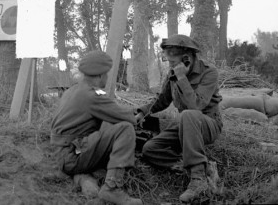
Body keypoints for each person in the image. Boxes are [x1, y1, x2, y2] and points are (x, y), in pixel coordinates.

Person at [135, 34, 223, 203]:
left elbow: (196, 106)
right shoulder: (172, 74)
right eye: (169, 61)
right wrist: (141, 112)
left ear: (186, 58)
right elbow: (162, 100)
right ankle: (199, 168)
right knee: (150, 149)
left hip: (208, 124)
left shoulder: (209, 72)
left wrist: (182, 78)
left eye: (173, 61)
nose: (170, 65)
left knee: (189, 114)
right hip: (185, 124)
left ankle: (198, 180)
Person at [50, 50, 142, 205]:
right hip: (72, 156)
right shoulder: (91, 96)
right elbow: (128, 118)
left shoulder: (74, 90)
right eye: (106, 74)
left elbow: (109, 111)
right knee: (125, 129)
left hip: (65, 152)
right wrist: (140, 113)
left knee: (108, 125)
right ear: (100, 75)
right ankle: (112, 188)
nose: (107, 77)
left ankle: (84, 177)